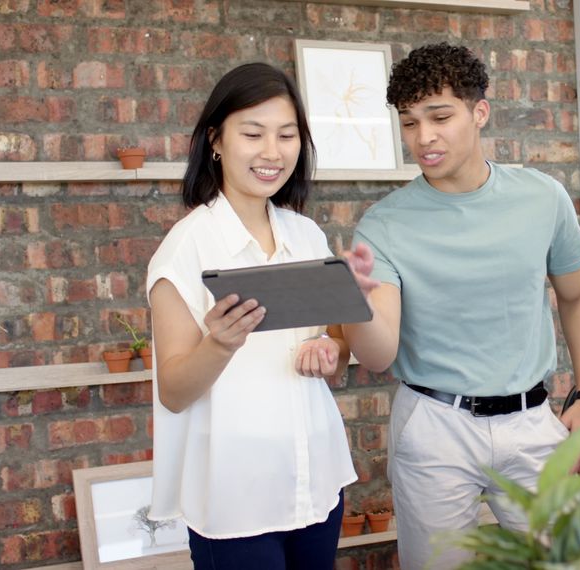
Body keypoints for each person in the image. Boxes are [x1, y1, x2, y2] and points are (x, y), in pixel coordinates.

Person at [340, 43, 580, 568]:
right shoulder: (383, 224)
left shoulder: (542, 197)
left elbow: (577, 297)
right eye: (410, 123)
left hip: (531, 420)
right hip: (434, 425)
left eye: (440, 117)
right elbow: (377, 354)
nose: (423, 138)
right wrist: (356, 300)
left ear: (479, 112)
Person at [146, 62, 357, 569]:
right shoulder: (185, 251)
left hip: (317, 485)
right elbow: (173, 392)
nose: (272, 151)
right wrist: (218, 344)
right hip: (236, 501)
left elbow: (339, 352)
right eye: (253, 133)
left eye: (287, 135)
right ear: (216, 140)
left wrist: (331, 352)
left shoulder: (306, 236)